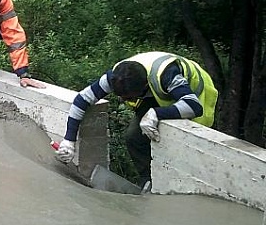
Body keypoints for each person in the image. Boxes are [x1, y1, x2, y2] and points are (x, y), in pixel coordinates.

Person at [54, 51, 218, 189]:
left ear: (145, 87)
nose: (126, 101)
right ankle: (148, 183)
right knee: (134, 137)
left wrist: (156, 113)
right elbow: (81, 100)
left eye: (130, 98)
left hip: (195, 94)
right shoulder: (117, 77)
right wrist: (69, 141)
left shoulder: (167, 75)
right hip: (159, 95)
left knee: (183, 148)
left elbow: (194, 106)